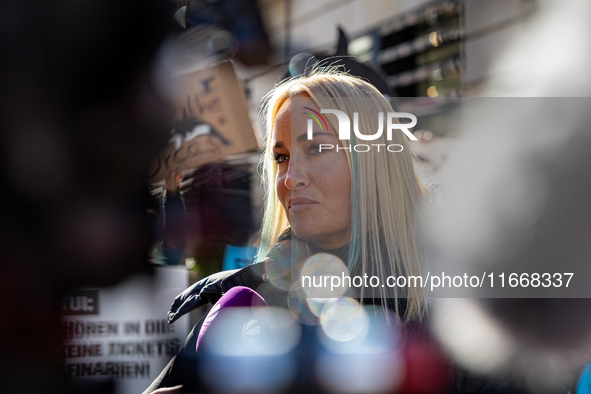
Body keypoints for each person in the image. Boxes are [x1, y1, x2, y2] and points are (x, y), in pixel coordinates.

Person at [145, 70, 427, 392]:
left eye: (317, 150)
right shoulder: (242, 304)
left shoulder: (462, 309)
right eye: (281, 157)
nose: (291, 178)